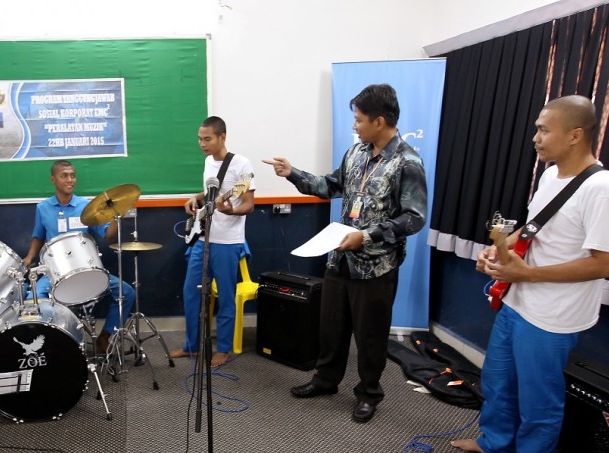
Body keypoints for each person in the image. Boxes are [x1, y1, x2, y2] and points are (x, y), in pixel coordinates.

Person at [451, 95, 609, 453]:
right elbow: (533, 231)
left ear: (575, 135)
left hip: (553, 316)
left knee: (539, 398)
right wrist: (498, 252)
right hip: (518, 303)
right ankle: (495, 442)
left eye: (544, 129)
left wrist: (529, 273)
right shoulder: (550, 175)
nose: (535, 137)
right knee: (497, 379)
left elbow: (608, 263)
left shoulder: (603, 189)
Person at [264, 83, 427, 423]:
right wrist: (293, 174)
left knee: (370, 335)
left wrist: (366, 237)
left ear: (379, 121)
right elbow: (330, 186)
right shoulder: (356, 153)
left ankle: (368, 393)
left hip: (376, 267)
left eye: (358, 119)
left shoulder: (407, 162)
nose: (354, 125)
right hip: (339, 259)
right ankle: (325, 380)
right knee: (331, 327)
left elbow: (414, 218)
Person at [22, 160, 135, 354]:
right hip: (54, 273)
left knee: (126, 292)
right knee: (33, 300)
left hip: (87, 270)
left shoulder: (87, 206)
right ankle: (49, 344)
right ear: (53, 179)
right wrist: (29, 258)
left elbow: (107, 235)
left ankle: (104, 337)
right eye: (64, 176)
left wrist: (117, 217)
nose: (70, 180)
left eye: (73, 175)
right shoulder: (43, 208)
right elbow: (38, 236)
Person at [169, 116, 255, 368]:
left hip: (228, 242)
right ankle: (192, 346)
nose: (202, 143)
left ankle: (224, 349)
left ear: (222, 137)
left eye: (207, 139)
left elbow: (249, 203)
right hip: (202, 239)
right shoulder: (208, 162)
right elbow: (212, 194)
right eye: (199, 138)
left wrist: (231, 211)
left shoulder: (242, 165)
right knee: (191, 293)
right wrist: (195, 198)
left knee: (226, 297)